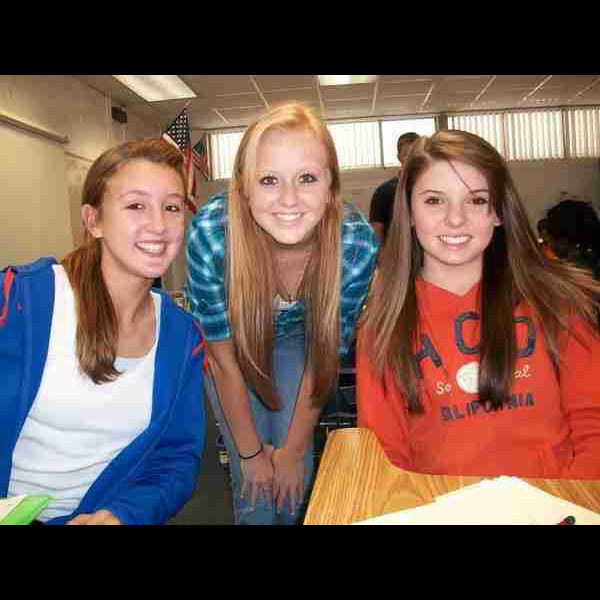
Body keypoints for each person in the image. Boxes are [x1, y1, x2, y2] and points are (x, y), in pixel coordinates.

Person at [357, 129, 600, 480]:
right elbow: (386, 457)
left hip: (558, 502)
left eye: (475, 200)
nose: (455, 219)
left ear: (498, 212)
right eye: (434, 201)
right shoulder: (382, 326)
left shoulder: (557, 301)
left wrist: (564, 504)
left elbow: (593, 427)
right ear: (408, 211)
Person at [185, 102, 378, 524]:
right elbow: (222, 361)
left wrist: (292, 450)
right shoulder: (212, 236)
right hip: (233, 346)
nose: (289, 200)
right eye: (269, 180)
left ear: (331, 187)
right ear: (244, 189)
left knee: (294, 477)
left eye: (307, 178)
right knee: (254, 487)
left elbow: (323, 356)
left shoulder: (355, 245)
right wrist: (251, 455)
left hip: (300, 340)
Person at [0, 139, 206, 524]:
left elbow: (175, 458)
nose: (159, 225)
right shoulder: (20, 300)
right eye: (136, 205)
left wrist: (123, 514)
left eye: (172, 207)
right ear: (93, 220)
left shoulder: (182, 338)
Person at [369, 131, 419, 244]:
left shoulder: (434, 190)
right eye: (406, 155)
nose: (411, 160)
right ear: (399, 157)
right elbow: (377, 231)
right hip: (397, 252)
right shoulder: (384, 192)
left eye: (416, 155)